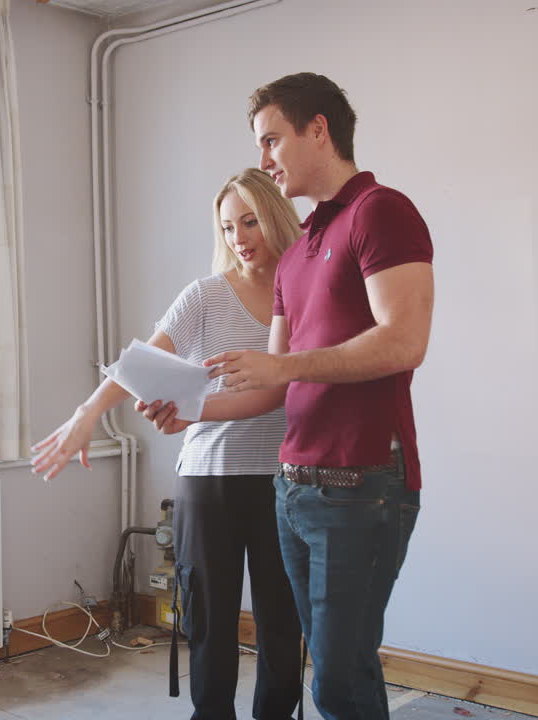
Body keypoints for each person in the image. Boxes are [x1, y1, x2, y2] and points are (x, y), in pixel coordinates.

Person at [138, 73, 435, 720]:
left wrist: (280, 367)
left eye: (272, 140)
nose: (264, 157)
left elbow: (404, 341)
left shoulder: (380, 211)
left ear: (318, 130)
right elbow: (270, 377)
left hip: (357, 479)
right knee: (323, 671)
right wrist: (188, 407)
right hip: (295, 484)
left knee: (334, 679)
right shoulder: (303, 254)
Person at [31, 168, 305, 720]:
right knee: (209, 618)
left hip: (284, 479)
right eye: (228, 228)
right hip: (209, 481)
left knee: (282, 621)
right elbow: (138, 367)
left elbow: (288, 390)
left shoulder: (303, 295)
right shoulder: (204, 295)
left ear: (276, 215)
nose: (240, 238)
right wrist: (87, 414)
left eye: (250, 221)